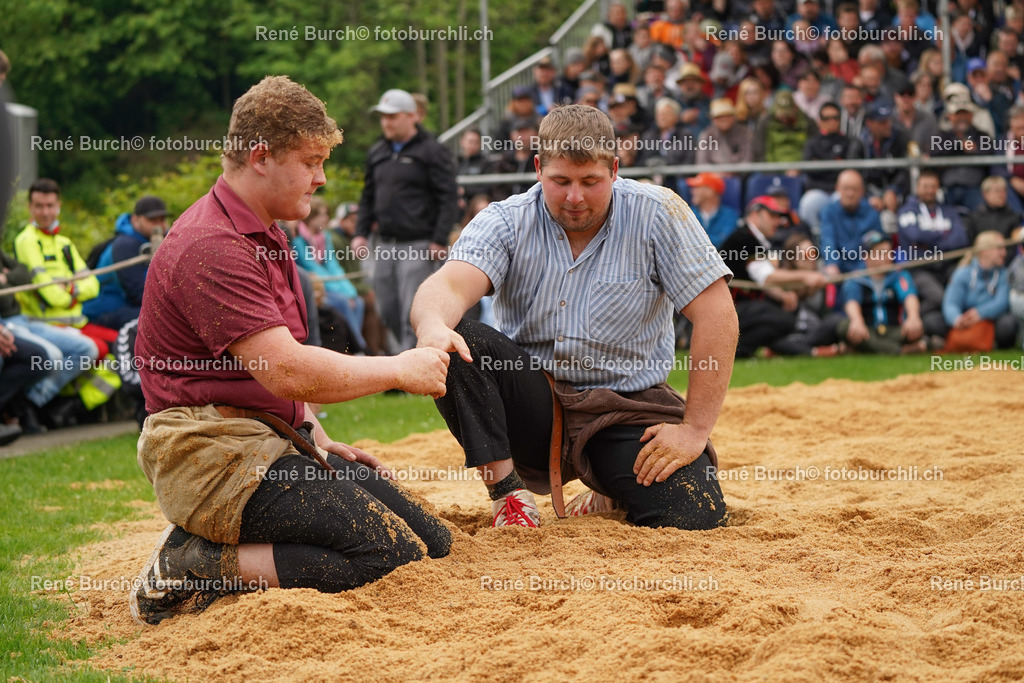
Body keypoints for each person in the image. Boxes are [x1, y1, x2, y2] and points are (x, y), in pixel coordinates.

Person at [129, 76, 452, 627]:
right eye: (311, 161)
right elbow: (286, 370)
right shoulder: (213, 245)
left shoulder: (265, 231)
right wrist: (400, 367)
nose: (321, 178)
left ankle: (210, 549)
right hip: (208, 453)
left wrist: (317, 440)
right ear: (261, 156)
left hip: (258, 439)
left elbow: (274, 367)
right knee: (389, 554)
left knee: (432, 541)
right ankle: (193, 560)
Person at [410, 104, 738, 531]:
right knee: (455, 338)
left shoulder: (658, 213)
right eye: (560, 181)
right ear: (537, 168)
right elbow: (448, 287)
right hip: (532, 403)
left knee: (694, 512)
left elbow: (718, 314)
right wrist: (433, 325)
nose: (575, 197)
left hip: (623, 408)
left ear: (615, 169)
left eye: (590, 182)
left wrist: (694, 429)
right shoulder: (506, 220)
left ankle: (608, 489)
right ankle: (508, 494)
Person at [351, 89, 459, 352]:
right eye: (383, 117)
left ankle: (411, 366)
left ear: (412, 116)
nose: (386, 122)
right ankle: (407, 358)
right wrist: (360, 232)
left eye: (393, 116)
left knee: (412, 307)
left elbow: (449, 197)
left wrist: (439, 238)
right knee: (386, 307)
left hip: (419, 243)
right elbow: (367, 196)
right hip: (384, 244)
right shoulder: (377, 152)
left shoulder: (432, 151)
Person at [721, 195, 828, 358]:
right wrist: (806, 276)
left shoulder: (752, 238)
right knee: (783, 321)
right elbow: (766, 277)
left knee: (781, 320)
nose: (777, 221)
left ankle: (737, 350)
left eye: (778, 216)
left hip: (735, 307)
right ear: (756, 215)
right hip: (729, 307)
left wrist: (782, 295)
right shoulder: (744, 238)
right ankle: (737, 350)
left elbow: (761, 279)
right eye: (772, 215)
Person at [831, 230, 928, 354]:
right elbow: (851, 302)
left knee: (922, 324)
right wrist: (857, 321)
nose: (887, 257)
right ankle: (900, 351)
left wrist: (913, 317)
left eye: (889, 252)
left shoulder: (899, 275)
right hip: (867, 330)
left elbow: (909, 296)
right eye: (880, 253)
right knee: (844, 327)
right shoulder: (856, 278)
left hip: (894, 330)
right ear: (866, 257)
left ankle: (864, 349)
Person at [82, 195, 169, 330]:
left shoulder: (165, 239)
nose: (158, 225)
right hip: (108, 311)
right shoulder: (124, 245)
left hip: (130, 306)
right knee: (165, 318)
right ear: (135, 220)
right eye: (152, 220)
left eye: (162, 219)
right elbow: (137, 294)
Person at [292, 197, 366, 352]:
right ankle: (358, 346)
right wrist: (344, 293)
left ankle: (354, 344)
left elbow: (332, 265)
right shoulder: (299, 240)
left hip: (330, 284)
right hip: (317, 287)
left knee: (358, 301)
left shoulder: (325, 237)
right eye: (322, 215)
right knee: (343, 302)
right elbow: (312, 268)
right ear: (311, 217)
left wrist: (349, 291)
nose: (326, 218)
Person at [942, 231, 1018, 349]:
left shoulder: (1003, 274)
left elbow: (1001, 302)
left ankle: (992, 343)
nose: (1004, 253)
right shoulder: (963, 273)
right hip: (966, 321)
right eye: (999, 249)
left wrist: (979, 313)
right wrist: (957, 319)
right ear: (984, 251)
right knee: (934, 322)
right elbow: (950, 302)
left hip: (990, 321)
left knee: (1008, 324)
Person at [818, 170, 883, 276]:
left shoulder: (872, 214)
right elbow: (828, 240)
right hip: (839, 270)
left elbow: (877, 244)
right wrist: (832, 263)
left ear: (862, 191)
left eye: (854, 189)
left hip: (866, 271)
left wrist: (864, 268)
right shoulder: (829, 212)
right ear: (837, 188)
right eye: (846, 188)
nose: (850, 194)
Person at [685, 172, 738, 249]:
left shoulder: (730, 215)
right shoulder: (688, 214)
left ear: (710, 191)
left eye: (697, 187)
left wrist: (695, 241)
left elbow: (725, 243)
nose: (692, 191)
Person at [696, 98, 752, 169]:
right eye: (719, 116)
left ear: (734, 117)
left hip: (739, 176)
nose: (724, 119)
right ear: (713, 119)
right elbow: (701, 162)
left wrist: (731, 173)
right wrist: (716, 174)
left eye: (727, 115)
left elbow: (747, 160)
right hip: (712, 176)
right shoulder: (706, 135)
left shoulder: (745, 133)